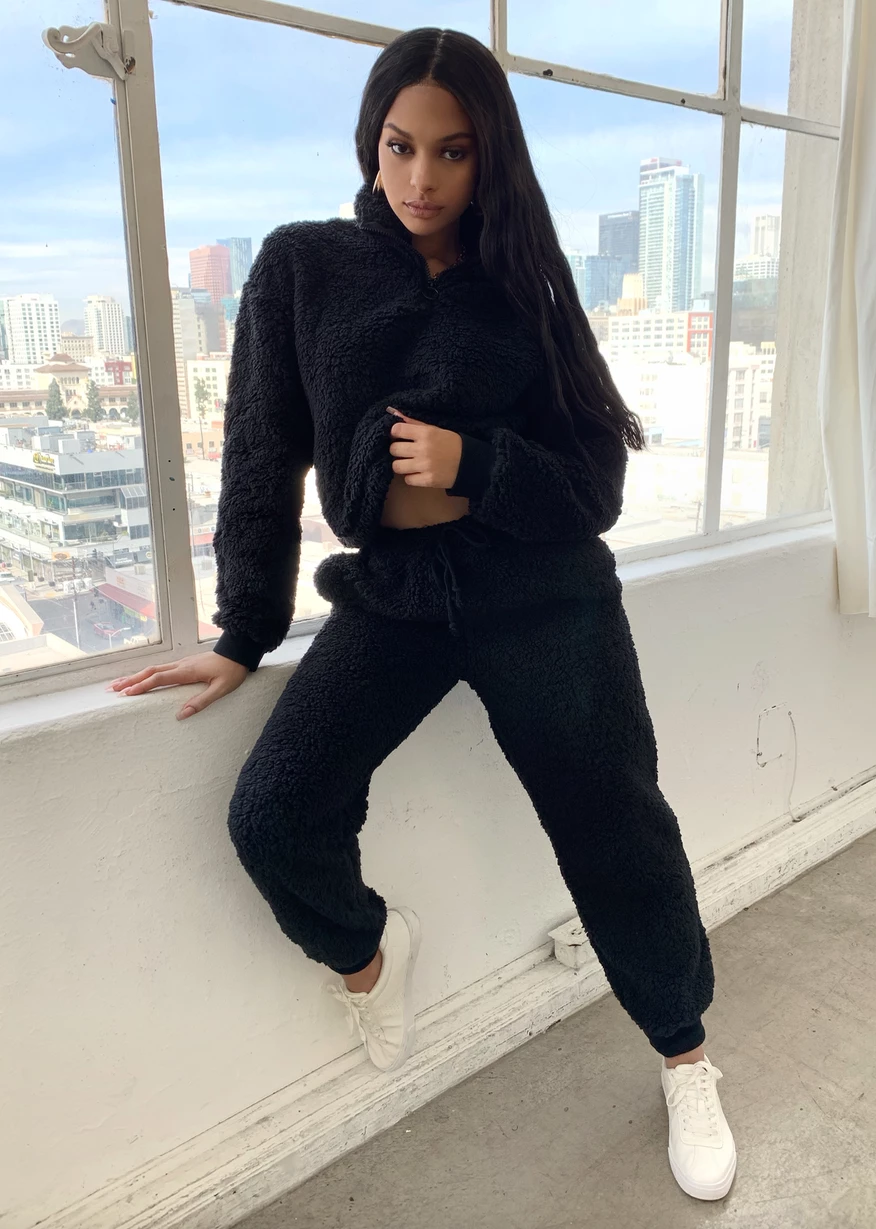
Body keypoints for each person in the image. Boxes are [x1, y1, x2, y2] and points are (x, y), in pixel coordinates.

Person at [106, 27, 736, 1202]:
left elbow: (596, 484)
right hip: (398, 596)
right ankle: (370, 953)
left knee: (617, 824)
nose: (421, 178)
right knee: (274, 812)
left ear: (489, 157)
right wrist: (245, 632)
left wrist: (474, 465)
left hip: (540, 589)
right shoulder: (302, 269)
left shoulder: (526, 285)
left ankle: (686, 1052)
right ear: (371, 139)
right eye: (401, 146)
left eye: (453, 152)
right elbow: (260, 456)